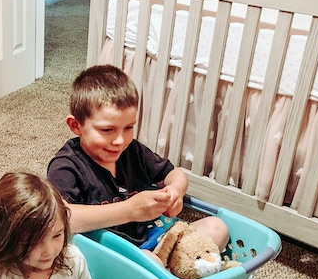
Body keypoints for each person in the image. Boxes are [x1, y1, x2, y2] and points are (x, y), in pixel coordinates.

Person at [47, 64, 229, 253]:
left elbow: (173, 174)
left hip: (158, 235)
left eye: (128, 128)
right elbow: (63, 218)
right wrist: (129, 210)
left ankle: (179, 270)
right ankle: (172, 273)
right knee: (153, 263)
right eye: (107, 130)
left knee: (217, 228)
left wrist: (176, 190)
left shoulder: (132, 150)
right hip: (116, 254)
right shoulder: (65, 166)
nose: (119, 140)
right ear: (75, 125)